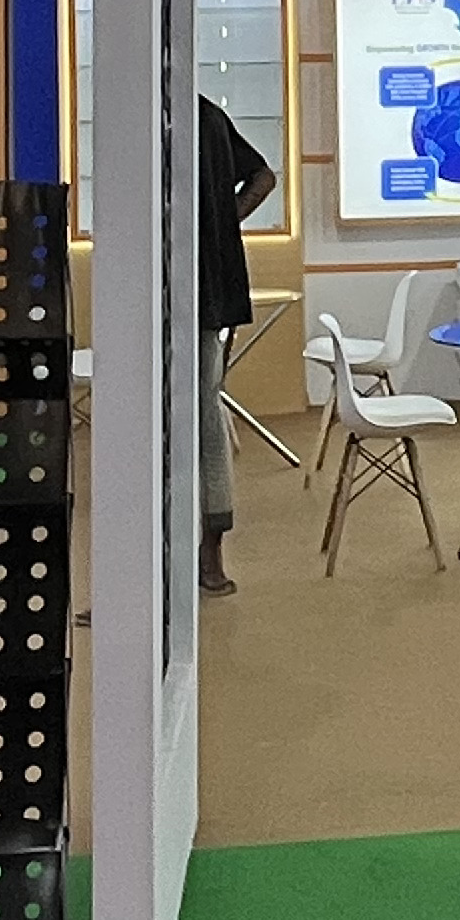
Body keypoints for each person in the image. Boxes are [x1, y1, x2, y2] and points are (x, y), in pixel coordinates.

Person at [194, 93, 274, 601]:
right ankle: (210, 557)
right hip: (211, 292)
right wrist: (223, 222)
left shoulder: (169, 118)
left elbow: (264, 177)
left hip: (184, 296)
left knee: (197, 421)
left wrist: (218, 223)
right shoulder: (209, 115)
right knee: (207, 418)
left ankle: (197, 554)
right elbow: (263, 177)